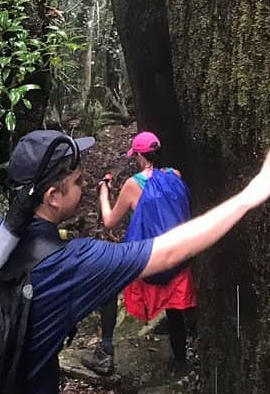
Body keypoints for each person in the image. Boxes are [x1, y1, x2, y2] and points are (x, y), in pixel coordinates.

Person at [0, 128, 270, 394]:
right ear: (53, 196)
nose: (84, 187)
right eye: (79, 181)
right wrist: (248, 197)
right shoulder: (73, 262)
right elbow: (166, 251)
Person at [83, 130, 195, 376]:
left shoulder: (133, 184)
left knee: (110, 283)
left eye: (136, 157)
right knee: (175, 313)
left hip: (151, 259)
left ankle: (106, 349)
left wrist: (104, 193)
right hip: (176, 256)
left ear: (141, 156)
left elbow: (110, 221)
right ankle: (179, 363)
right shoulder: (175, 175)